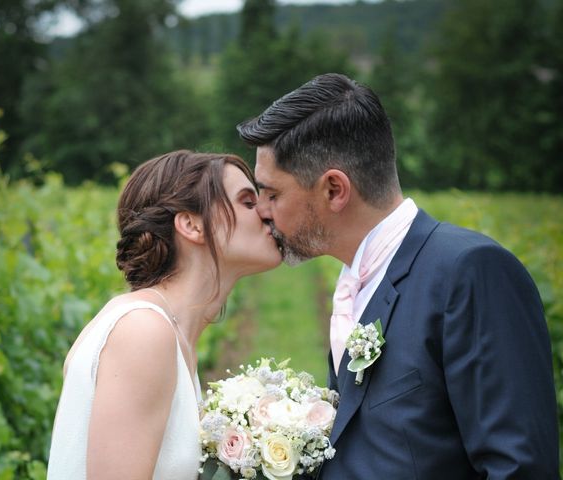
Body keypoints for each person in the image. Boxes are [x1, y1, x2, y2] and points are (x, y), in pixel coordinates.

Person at [237, 73, 559, 479]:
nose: (262, 211)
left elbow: (519, 468)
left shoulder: (469, 272)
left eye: (272, 194)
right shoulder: (355, 279)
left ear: (334, 190)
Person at [46, 150, 282, 480]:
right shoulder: (143, 331)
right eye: (247, 201)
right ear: (191, 224)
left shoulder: (170, 336)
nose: (268, 212)